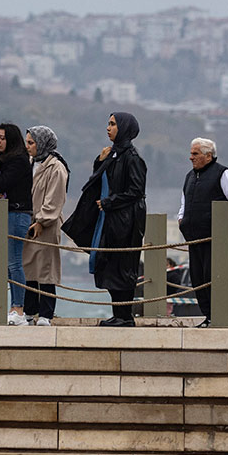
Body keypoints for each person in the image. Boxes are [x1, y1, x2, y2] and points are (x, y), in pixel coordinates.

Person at [62, 112, 147, 327]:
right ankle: (118, 314)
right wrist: (100, 161)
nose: (108, 128)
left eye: (112, 124)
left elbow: (137, 190)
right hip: (109, 220)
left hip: (126, 223)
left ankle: (125, 316)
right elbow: (98, 180)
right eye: (108, 123)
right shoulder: (113, 154)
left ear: (124, 128)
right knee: (107, 266)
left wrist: (111, 202)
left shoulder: (132, 157)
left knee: (122, 268)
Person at [177, 137, 228, 327]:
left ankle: (218, 317)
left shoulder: (224, 174)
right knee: (198, 280)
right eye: (191, 153)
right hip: (194, 238)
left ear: (208, 156)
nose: (191, 157)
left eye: (195, 153)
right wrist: (181, 220)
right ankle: (209, 317)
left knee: (211, 277)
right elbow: (184, 203)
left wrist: (224, 227)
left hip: (215, 239)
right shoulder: (189, 177)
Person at [0, 123, 34, 325]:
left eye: (2, 138)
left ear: (11, 140)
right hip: (3, 215)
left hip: (17, 214)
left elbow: (1, 183)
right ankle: (12, 307)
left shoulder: (19, 160)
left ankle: (18, 309)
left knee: (14, 262)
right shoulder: (4, 160)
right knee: (8, 265)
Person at [22, 125, 69, 326]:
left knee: (46, 270)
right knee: (29, 269)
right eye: (27, 142)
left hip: (47, 226)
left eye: (31, 143)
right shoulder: (29, 164)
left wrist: (42, 220)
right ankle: (29, 311)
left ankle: (46, 314)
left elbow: (55, 199)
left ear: (42, 144)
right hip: (27, 223)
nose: (27, 146)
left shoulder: (56, 167)